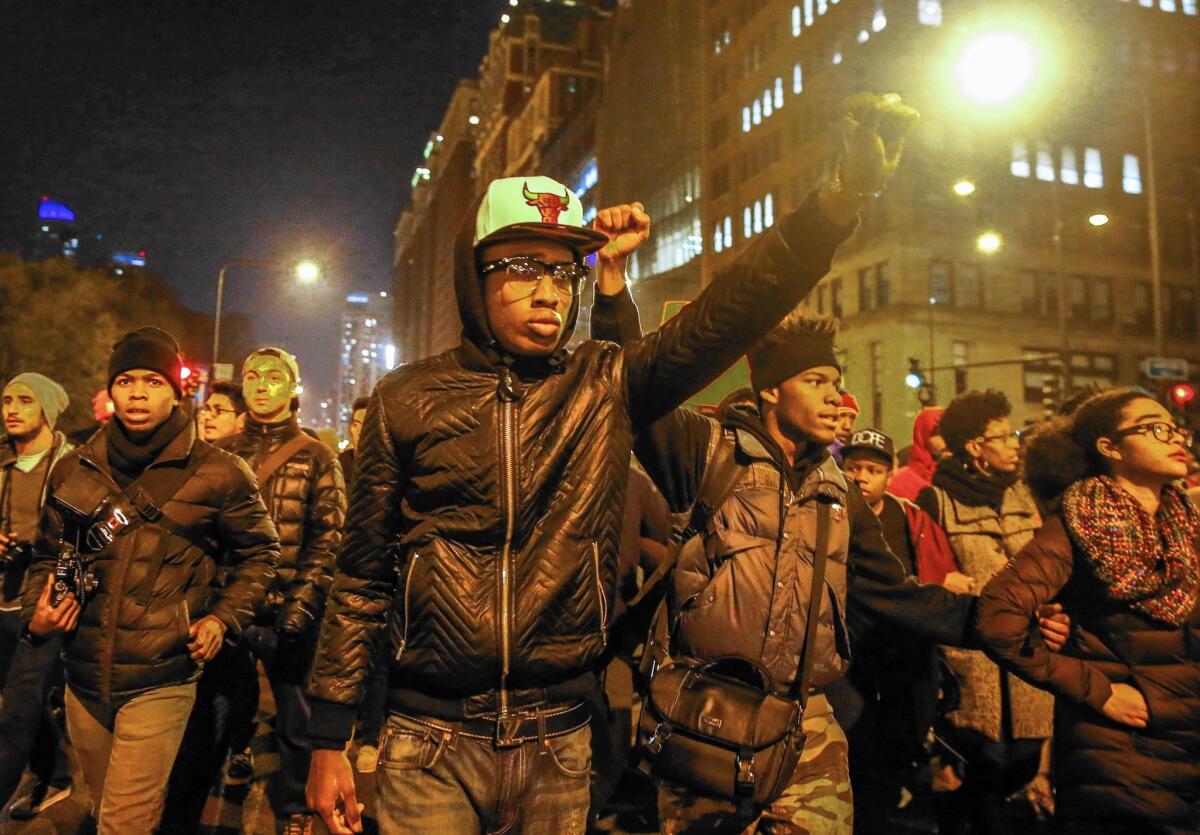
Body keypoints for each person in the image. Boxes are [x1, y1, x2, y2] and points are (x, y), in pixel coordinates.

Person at [303, 93, 915, 835]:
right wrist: (330, 736)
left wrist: (833, 207)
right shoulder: (408, 398)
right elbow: (361, 574)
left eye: (563, 272)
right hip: (429, 741)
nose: (546, 290)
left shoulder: (604, 382)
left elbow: (731, 311)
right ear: (476, 274)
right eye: (522, 266)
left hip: (561, 740)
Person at [20, 326, 280, 834]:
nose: (138, 393)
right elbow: (47, 555)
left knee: (124, 822)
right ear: (110, 390)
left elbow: (261, 554)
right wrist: (38, 606)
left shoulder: (218, 471)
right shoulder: (74, 467)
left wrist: (222, 619)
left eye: (152, 381)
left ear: (176, 390)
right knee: (97, 804)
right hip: (83, 673)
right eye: (126, 380)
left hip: (163, 673)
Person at [979, 387, 1200, 834]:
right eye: (1154, 428)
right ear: (1110, 447)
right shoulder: (1080, 521)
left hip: (1186, 754)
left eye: (1175, 428)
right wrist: (1096, 690)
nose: (1172, 436)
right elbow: (997, 617)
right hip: (1119, 765)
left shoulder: (1183, 521)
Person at [212, 347, 346, 835]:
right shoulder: (219, 454)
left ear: (294, 389)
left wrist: (302, 605)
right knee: (216, 713)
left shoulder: (318, 456)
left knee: (296, 721)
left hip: (290, 612)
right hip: (228, 611)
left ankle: (294, 808)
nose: (262, 384)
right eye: (252, 376)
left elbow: (330, 538)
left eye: (274, 376)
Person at [916, 390, 1053, 832]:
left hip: (1029, 665)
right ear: (976, 446)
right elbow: (926, 581)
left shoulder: (1026, 496)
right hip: (971, 670)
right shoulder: (937, 501)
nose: (1016, 444)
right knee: (975, 794)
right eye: (1004, 436)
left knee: (1024, 774)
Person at [839, 428, 970, 831]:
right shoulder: (830, 517)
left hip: (905, 655)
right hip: (848, 657)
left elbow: (940, 575)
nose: (861, 477)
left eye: (873, 469)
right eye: (853, 467)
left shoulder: (912, 519)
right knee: (853, 747)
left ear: (891, 473)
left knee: (900, 741)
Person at [0, 373, 75, 816]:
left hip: (43, 604)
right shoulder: (1, 464)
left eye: (25, 401)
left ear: (46, 409)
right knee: (19, 700)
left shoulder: (73, 465)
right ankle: (56, 772)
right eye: (6, 399)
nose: (11, 408)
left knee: (18, 709)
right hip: (2, 599)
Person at [887, 406, 946, 502]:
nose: (946, 439)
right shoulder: (900, 484)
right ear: (922, 435)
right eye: (938, 433)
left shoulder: (963, 478)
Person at [339, 396, 368, 486]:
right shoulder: (338, 466)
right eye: (356, 425)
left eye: (365, 425)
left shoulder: (387, 469)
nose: (359, 432)